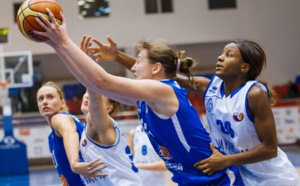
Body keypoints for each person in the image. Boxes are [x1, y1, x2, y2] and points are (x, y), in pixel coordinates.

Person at [34, 9, 244, 185]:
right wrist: (55, 45)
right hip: (193, 179)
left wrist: (63, 39)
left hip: (217, 181)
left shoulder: (164, 91)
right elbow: (93, 85)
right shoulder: (148, 101)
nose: (132, 66)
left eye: (138, 61)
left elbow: (101, 82)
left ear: (156, 68)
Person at [89, 36, 300, 185]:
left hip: (271, 176)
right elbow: (157, 75)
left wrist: (226, 160)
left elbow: (270, 148)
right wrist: (117, 56)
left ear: (244, 68)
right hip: (239, 173)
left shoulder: (253, 94)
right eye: (221, 53)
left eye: (229, 55)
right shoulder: (210, 86)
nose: (220, 57)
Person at [36, 82, 106, 186]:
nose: (45, 102)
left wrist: (74, 163)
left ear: (62, 103)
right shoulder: (53, 135)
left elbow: (69, 132)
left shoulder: (59, 118)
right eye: (41, 99)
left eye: (50, 97)